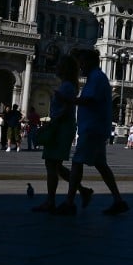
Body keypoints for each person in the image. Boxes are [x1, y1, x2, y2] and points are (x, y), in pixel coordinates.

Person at [53, 48, 129, 217]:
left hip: (93, 128)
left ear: (88, 62)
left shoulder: (96, 78)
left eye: (82, 63)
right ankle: (118, 200)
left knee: (77, 162)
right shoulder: (96, 78)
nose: (80, 67)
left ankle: (70, 202)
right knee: (101, 165)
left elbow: (89, 100)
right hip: (95, 127)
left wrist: (68, 100)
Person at [33, 55, 94, 213]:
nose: (56, 67)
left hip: (60, 127)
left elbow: (66, 109)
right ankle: (82, 190)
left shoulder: (67, 86)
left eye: (59, 65)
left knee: (51, 164)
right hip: (62, 126)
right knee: (56, 165)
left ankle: (50, 201)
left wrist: (50, 125)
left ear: (65, 69)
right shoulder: (67, 85)